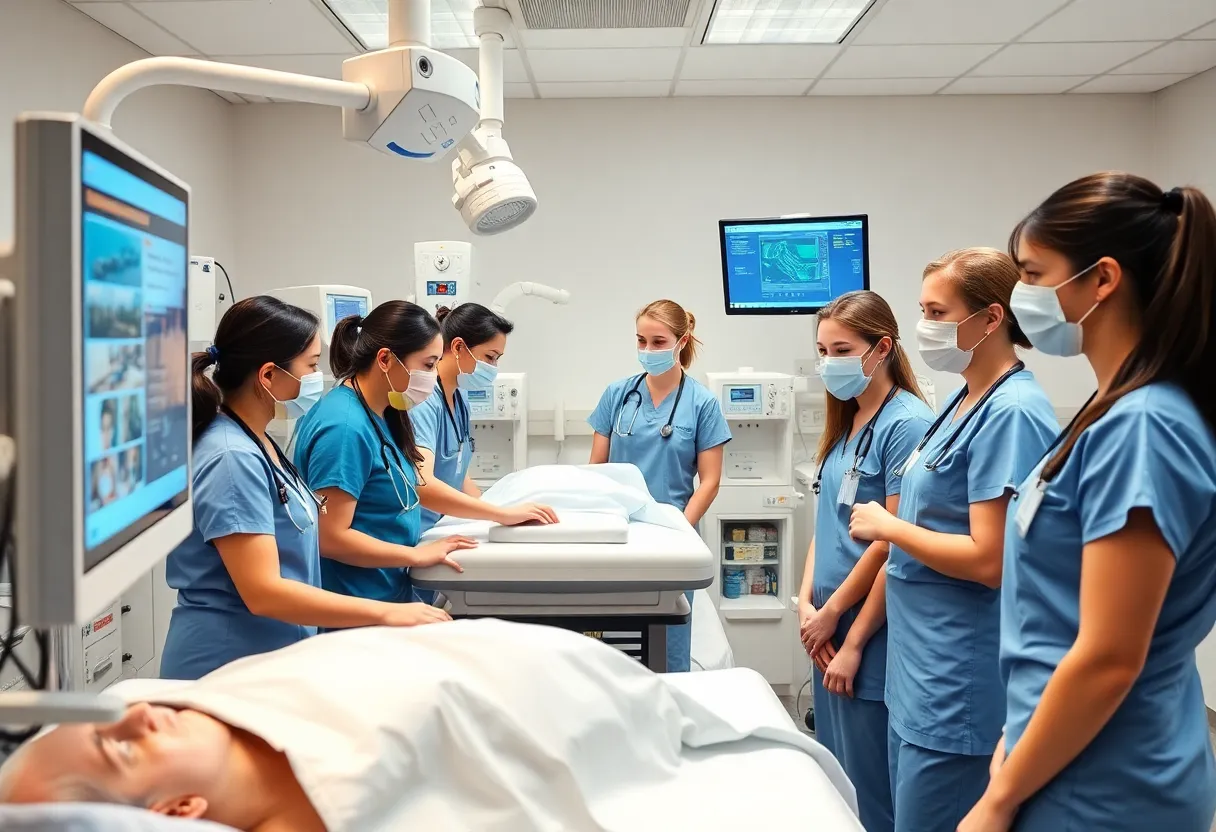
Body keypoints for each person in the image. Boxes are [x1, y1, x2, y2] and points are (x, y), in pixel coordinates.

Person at [0, 621, 859, 832]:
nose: (144, 708)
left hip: (524, 670)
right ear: (176, 810)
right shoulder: (315, 801)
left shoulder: (220, 698)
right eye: (124, 743)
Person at [958, 176, 1216, 832]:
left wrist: (997, 799)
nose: (1022, 298)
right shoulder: (1112, 412)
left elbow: (1108, 656)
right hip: (1066, 749)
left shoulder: (1145, 427)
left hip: (1106, 780)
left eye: (1035, 274)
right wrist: (1017, 737)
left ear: (1102, 280)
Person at [846, 249, 1058, 832]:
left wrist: (890, 528)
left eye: (937, 311)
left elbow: (990, 560)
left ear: (992, 318)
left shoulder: (1012, 413)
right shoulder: (964, 401)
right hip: (918, 670)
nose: (926, 326)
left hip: (958, 678)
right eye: (922, 310)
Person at [160, 297, 451, 681]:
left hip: (268, 656)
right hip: (224, 663)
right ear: (268, 376)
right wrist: (387, 612)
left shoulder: (257, 442)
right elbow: (263, 591)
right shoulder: (231, 456)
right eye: (311, 366)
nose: (320, 376)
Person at [293, 300, 556, 608]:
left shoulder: (383, 413)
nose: (432, 377)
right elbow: (331, 537)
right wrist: (415, 555)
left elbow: (406, 486)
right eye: (429, 365)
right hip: (355, 602)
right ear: (385, 360)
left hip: (386, 590)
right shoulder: (344, 427)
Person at [795, 291, 933, 832]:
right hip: (824, 623)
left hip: (865, 629)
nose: (830, 362)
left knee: (870, 787)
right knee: (838, 776)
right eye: (823, 350)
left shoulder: (906, 423)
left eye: (842, 349)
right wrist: (807, 604)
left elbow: (892, 541)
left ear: (882, 348)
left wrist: (847, 635)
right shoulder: (846, 422)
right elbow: (826, 524)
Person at [588, 299, 732, 672]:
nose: (647, 350)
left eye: (657, 341)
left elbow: (710, 479)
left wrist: (681, 528)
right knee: (614, 639)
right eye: (641, 341)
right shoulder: (617, 395)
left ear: (682, 342)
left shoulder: (702, 403)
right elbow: (596, 469)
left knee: (669, 643)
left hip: (674, 535)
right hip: (620, 534)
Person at [408, 302, 513, 533]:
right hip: (417, 533)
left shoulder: (460, 397)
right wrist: (500, 514)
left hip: (441, 525)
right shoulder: (424, 402)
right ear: (458, 347)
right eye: (490, 356)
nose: (494, 367)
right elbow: (422, 483)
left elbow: (458, 474)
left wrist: (491, 511)